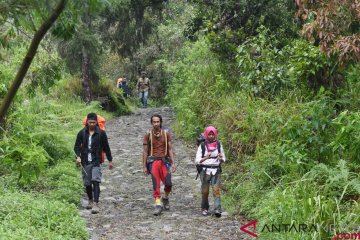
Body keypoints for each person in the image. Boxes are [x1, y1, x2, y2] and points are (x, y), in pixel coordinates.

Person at [74, 112, 113, 214]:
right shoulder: (82, 133)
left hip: (96, 161)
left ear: (97, 122)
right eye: (90, 122)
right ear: (87, 122)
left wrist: (110, 160)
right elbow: (77, 147)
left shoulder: (101, 133)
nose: (92, 124)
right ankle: (90, 200)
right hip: (85, 160)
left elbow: (106, 147)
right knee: (87, 183)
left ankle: (96, 203)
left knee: (96, 181)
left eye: (94, 122)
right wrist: (77, 156)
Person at [143, 114, 176, 216]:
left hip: (165, 161)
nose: (156, 124)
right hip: (153, 162)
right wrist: (144, 166)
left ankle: (165, 197)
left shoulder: (166, 133)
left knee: (168, 183)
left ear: (160, 122)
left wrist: (173, 162)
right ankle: (158, 204)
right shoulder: (148, 134)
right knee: (156, 184)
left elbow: (170, 148)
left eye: (158, 122)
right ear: (151, 123)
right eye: (154, 122)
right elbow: (145, 151)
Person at [195, 126, 225, 217]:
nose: (211, 136)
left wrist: (221, 158)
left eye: (213, 134)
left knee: (216, 190)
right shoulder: (202, 145)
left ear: (215, 134)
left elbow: (224, 158)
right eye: (209, 134)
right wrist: (206, 157)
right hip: (204, 171)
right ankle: (204, 208)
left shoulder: (219, 144)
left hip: (216, 170)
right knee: (205, 191)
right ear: (207, 135)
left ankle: (217, 209)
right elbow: (197, 160)